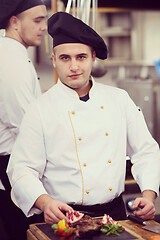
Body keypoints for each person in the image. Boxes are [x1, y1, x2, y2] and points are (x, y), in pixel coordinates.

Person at [7, 12, 160, 226]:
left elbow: (146, 151)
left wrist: (148, 195)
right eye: (64, 58)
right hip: (63, 217)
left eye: (81, 57)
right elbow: (22, 169)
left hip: (115, 216)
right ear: (54, 60)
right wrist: (44, 203)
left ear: (92, 58)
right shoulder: (40, 109)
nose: (74, 67)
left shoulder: (119, 99)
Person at [0, 0, 47, 239]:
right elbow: (22, 123)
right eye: (37, 20)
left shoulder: (14, 54)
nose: (44, 27)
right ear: (15, 22)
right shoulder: (10, 59)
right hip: (9, 166)